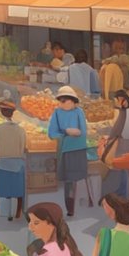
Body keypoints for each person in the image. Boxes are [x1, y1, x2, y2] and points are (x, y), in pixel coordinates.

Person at [47, 86, 90, 217]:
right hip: (66, 149)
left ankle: (84, 202)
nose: (62, 103)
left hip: (79, 149)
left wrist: (78, 133)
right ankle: (70, 207)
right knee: (69, 181)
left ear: (73, 101)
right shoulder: (57, 113)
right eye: (60, 100)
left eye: (64, 100)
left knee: (79, 177)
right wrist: (66, 131)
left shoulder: (79, 112)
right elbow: (52, 132)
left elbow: (83, 131)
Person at [0, 97, 27, 221]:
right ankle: (16, 213)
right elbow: (24, 147)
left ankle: (5, 213)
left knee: (4, 189)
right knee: (17, 189)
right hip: (18, 164)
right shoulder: (21, 130)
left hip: (3, 164)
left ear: (0, 111)